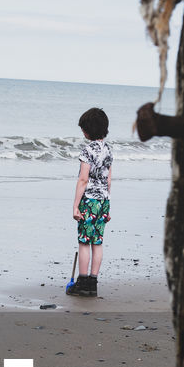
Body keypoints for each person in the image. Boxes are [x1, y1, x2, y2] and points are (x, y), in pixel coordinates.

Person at [66, 107, 111, 297]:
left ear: (87, 131)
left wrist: (76, 205)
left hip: (89, 200)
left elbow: (83, 179)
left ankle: (82, 282)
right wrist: (107, 205)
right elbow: (108, 180)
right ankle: (93, 283)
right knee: (97, 242)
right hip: (103, 201)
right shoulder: (108, 150)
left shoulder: (88, 150)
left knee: (84, 242)